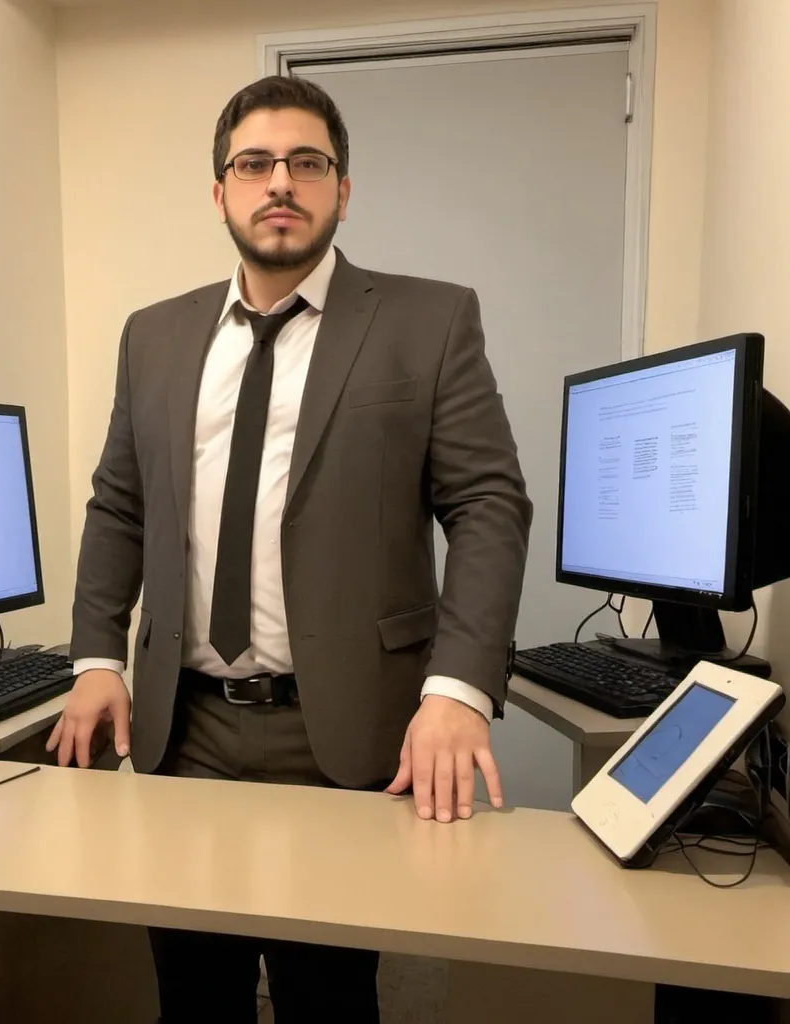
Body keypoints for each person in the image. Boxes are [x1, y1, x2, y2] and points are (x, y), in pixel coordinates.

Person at [49, 75, 532, 1023]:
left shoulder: (428, 322)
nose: (281, 182)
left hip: (342, 729)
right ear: (221, 191)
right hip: (182, 730)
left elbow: (488, 504)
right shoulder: (153, 335)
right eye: (255, 163)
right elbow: (119, 504)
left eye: (306, 163)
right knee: (193, 994)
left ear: (341, 190)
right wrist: (97, 656)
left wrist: (457, 690)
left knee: (329, 996)